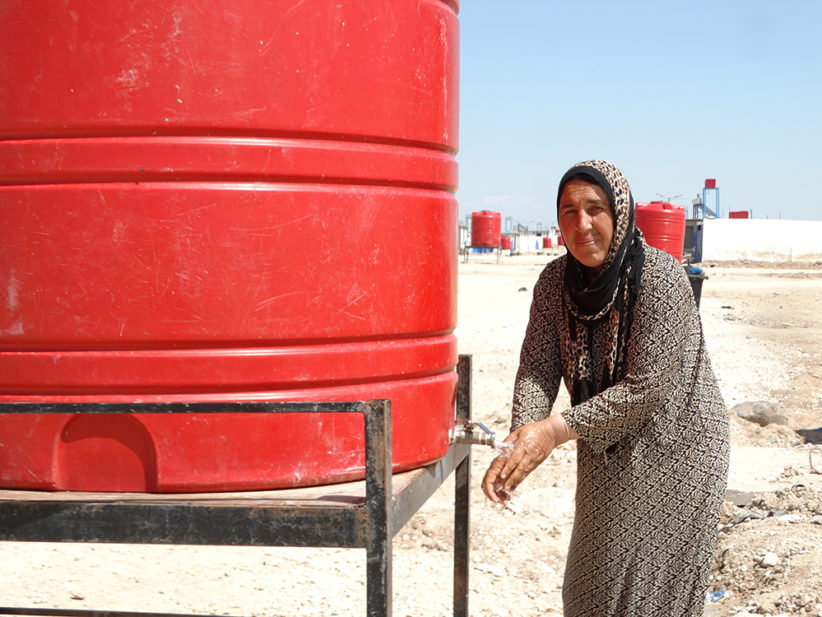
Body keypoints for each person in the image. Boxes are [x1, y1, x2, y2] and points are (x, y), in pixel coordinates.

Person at [482, 160, 730, 617]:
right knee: (590, 591)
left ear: (619, 212)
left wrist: (553, 431)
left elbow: (646, 388)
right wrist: (520, 441)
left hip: (680, 449)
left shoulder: (660, 278)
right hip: (606, 444)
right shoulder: (555, 282)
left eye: (595, 209)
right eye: (568, 211)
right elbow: (537, 369)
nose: (582, 224)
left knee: (652, 597)